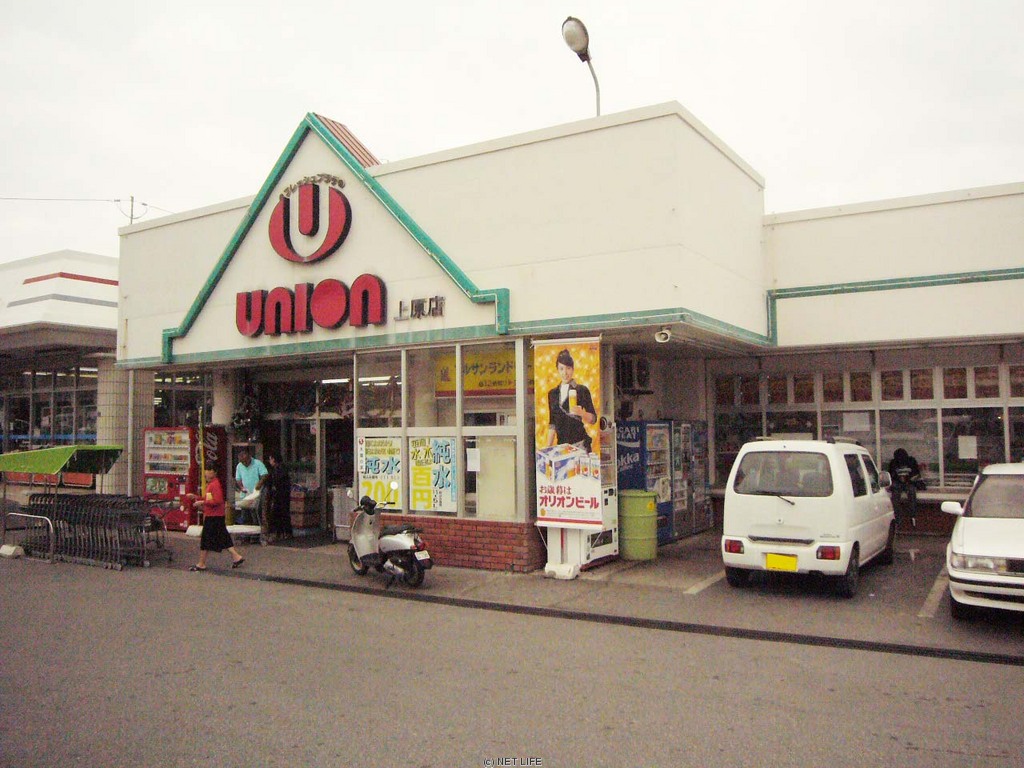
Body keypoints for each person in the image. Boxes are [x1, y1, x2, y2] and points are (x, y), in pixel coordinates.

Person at [189, 467, 244, 571]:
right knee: (223, 536)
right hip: (216, 515)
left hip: (213, 516)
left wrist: (202, 502)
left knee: (206, 539)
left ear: (214, 472)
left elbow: (217, 501)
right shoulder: (212, 484)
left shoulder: (214, 485)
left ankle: (201, 563)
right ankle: (236, 556)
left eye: (209, 471)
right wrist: (196, 497)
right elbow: (209, 499)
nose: (206, 474)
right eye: (206, 472)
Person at [546, 348, 598, 452]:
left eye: (568, 368)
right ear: (557, 370)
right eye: (561, 369)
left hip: (580, 445)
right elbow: (552, 424)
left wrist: (582, 413)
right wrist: (547, 449)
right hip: (562, 447)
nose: (565, 373)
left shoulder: (582, 390)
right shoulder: (553, 393)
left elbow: (593, 419)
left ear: (573, 369)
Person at [233, 449, 268, 525]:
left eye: (246, 461)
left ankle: (256, 529)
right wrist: (241, 487)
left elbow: (265, 475)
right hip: (245, 496)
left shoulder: (258, 463)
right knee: (245, 518)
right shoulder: (239, 466)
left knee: (255, 517)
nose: (244, 463)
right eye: (242, 462)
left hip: (256, 495)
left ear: (249, 457)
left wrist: (259, 483)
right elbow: (238, 479)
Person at [265, 452, 293, 542]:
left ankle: (283, 532)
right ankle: (282, 532)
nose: (270, 461)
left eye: (270, 459)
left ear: (274, 459)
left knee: (281, 513)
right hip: (280, 494)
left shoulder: (280, 469)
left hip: (281, 494)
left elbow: (278, 481)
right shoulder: (276, 469)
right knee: (280, 513)